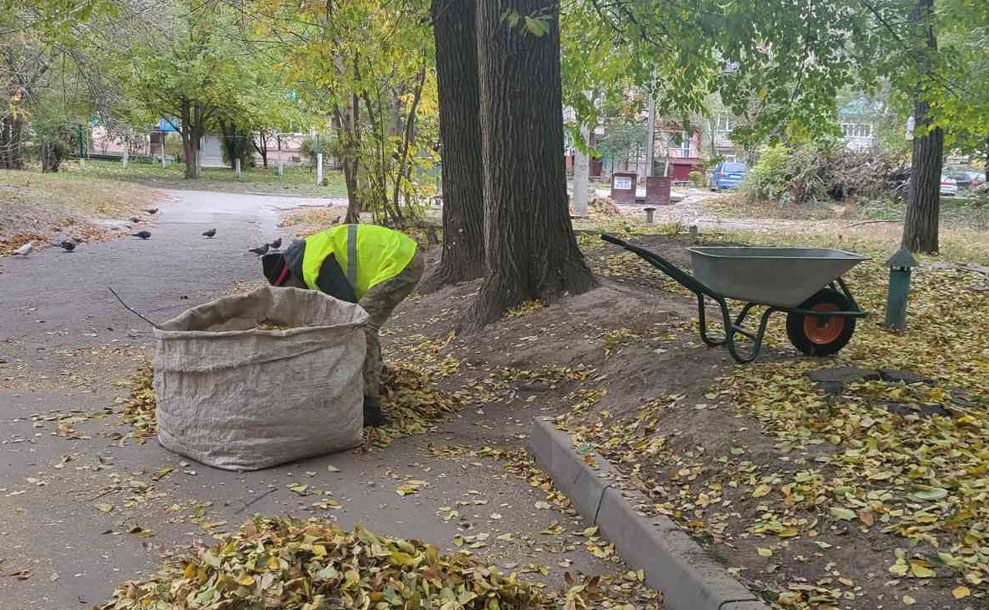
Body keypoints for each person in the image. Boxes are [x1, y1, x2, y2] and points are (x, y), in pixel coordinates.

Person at [261, 224, 423, 427]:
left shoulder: (315, 267)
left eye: (290, 291)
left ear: (288, 279)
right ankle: (376, 374)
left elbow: (349, 314)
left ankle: (370, 407)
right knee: (363, 325)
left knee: (361, 328)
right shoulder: (304, 256)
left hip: (399, 261)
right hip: (397, 253)